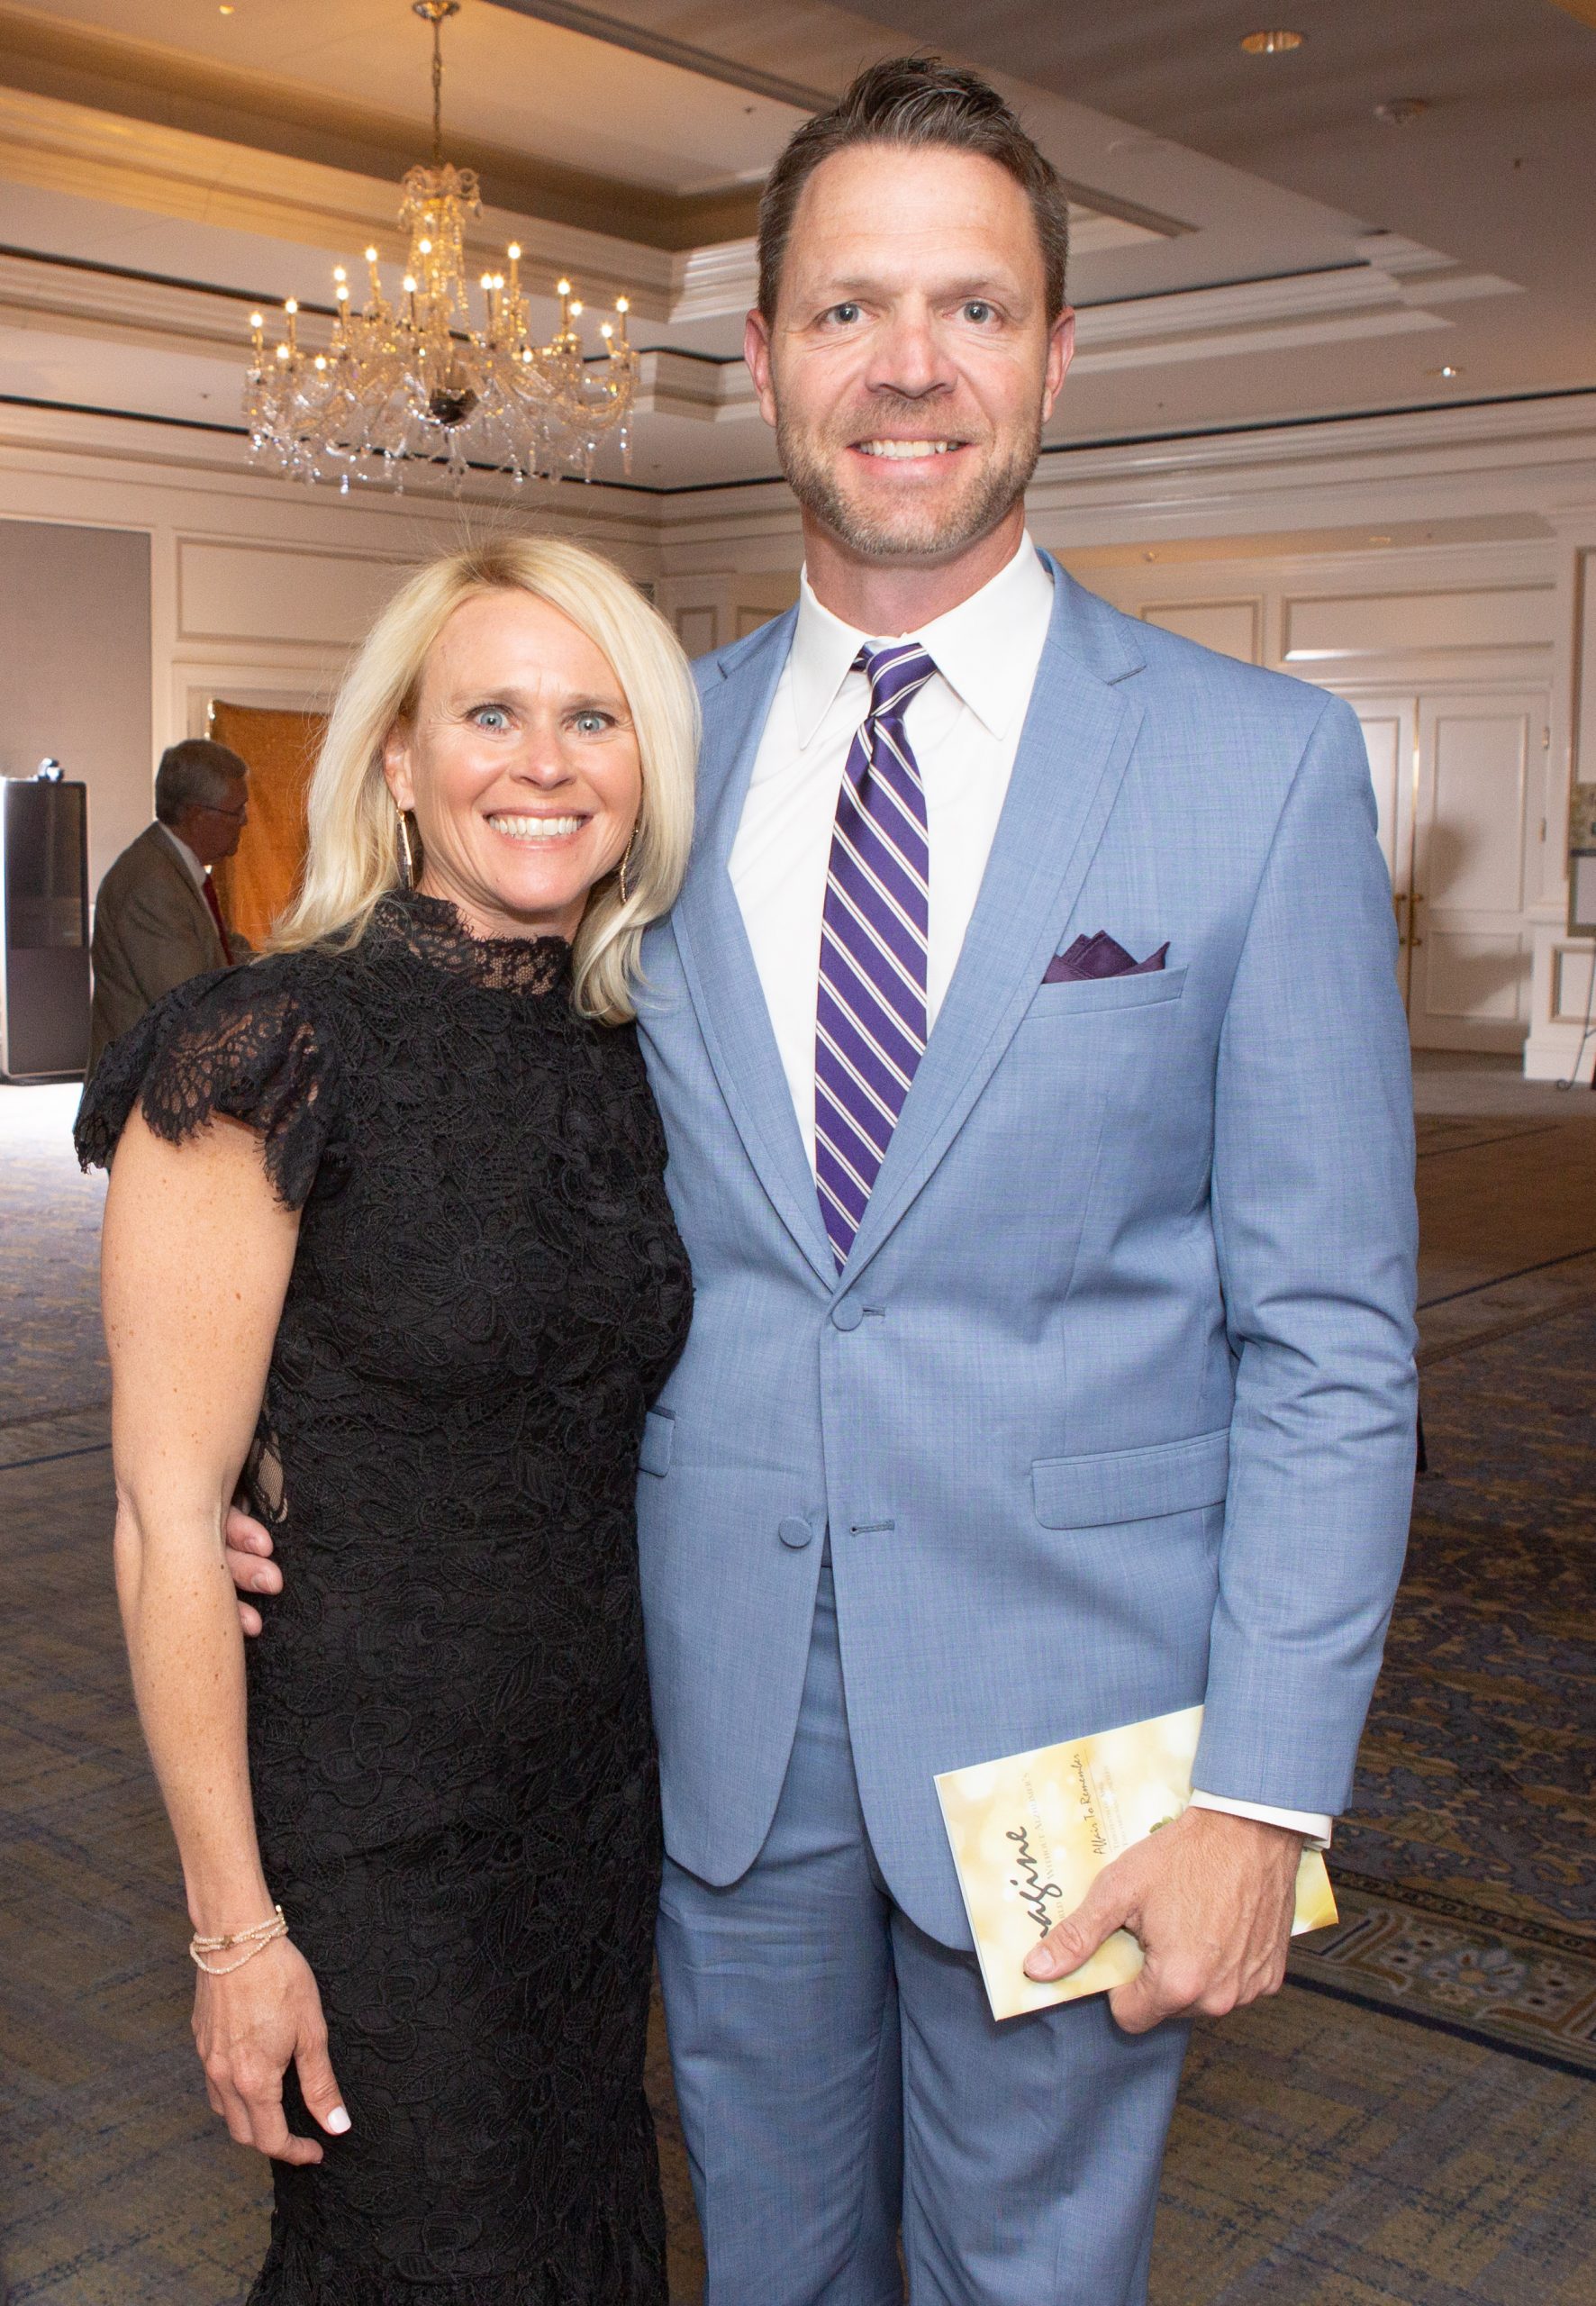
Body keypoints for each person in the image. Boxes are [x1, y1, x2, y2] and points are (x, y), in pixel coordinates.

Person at [230, 57, 1419, 2306]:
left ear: (1057, 356)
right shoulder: (646, 755)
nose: (908, 364)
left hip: (1081, 1726)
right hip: (704, 1713)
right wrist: (274, 1451)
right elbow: (465, 1150)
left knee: (1027, 2274)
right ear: (766, 353)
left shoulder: (1253, 768)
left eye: (973, 307)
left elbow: (1333, 1339)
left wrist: (1265, 1789)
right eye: (850, 306)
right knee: (767, 2263)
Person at [77, 538, 697, 2302]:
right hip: (374, 1818)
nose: (543, 760)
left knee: (584, 2236)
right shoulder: (266, 1046)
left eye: (593, 718)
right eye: (489, 714)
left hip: (591, 1797)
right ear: (400, 760)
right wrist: (233, 1930)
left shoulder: (640, 1049)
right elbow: (168, 1516)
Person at [85, 738, 253, 1082]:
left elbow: (217, 948)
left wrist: (286, 963)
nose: (245, 821)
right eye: (236, 811)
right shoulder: (152, 885)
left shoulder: (174, 868)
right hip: (142, 1093)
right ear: (196, 815)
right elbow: (190, 1005)